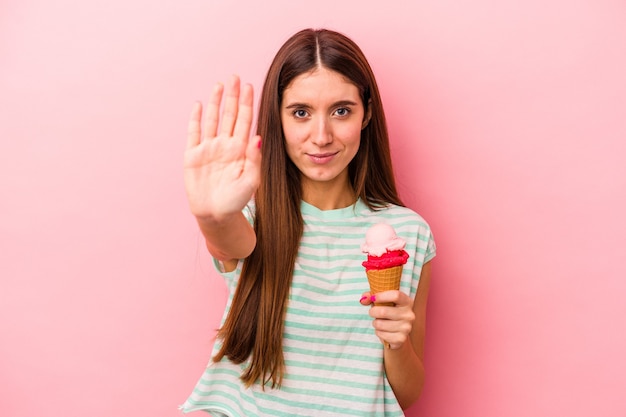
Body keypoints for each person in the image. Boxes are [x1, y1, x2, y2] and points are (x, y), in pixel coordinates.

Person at [180, 28, 436, 416]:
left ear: (366, 113)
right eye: (301, 113)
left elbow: (407, 394)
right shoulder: (251, 217)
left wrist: (396, 342)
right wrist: (212, 215)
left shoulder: (409, 235)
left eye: (341, 111)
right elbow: (229, 240)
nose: (321, 136)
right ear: (278, 119)